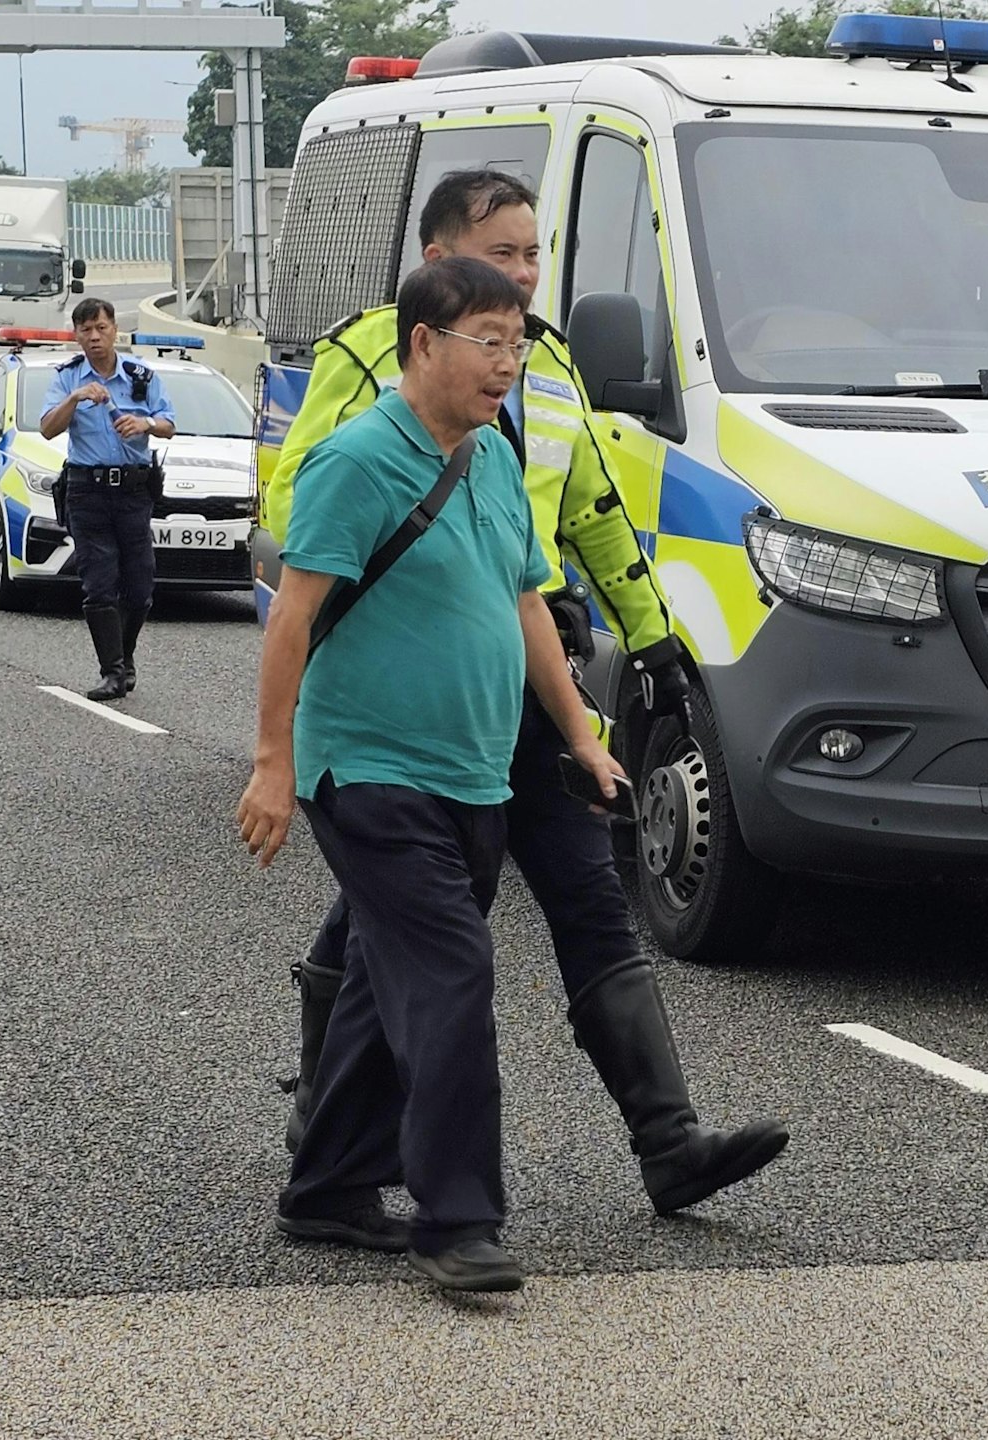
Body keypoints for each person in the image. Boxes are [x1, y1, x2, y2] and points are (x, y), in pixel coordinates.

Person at [267, 170, 789, 1216]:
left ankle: (669, 1142)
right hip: (401, 698)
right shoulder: (370, 355)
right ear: (437, 263)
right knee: (398, 926)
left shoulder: (542, 362)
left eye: (532, 253)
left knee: (589, 899)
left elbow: (589, 507)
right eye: (498, 253)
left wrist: (652, 636)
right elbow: (295, 502)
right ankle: (335, 1140)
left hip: (527, 678)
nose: (523, 272)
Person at [239, 258, 624, 1294]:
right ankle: (459, 1220)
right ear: (422, 344)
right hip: (369, 770)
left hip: (475, 774)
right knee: (451, 971)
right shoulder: (356, 461)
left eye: (517, 345)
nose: (507, 364)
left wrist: (582, 735)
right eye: (487, 342)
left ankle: (327, 1188)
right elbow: (293, 616)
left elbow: (527, 603)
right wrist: (273, 763)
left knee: (384, 981)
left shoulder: (491, 458)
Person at [38, 296, 176, 702]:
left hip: (134, 490)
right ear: (77, 335)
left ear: (115, 329)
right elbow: (47, 428)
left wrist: (145, 423)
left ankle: (124, 655)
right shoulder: (68, 377)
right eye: (86, 330)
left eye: (101, 328)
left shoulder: (140, 376)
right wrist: (75, 399)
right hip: (88, 490)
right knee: (99, 584)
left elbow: (169, 423)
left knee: (140, 586)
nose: (95, 337)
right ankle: (112, 671)